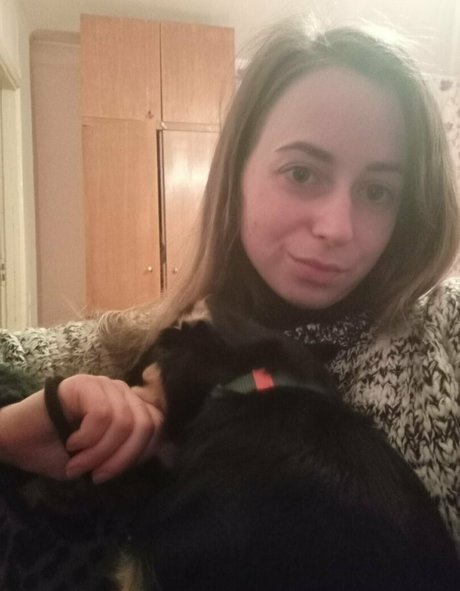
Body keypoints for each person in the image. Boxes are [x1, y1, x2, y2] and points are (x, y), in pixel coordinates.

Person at [0, 14, 459, 576]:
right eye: (302, 173)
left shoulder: (443, 333)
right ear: (236, 172)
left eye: (378, 191)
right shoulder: (145, 342)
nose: (338, 228)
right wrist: (11, 431)